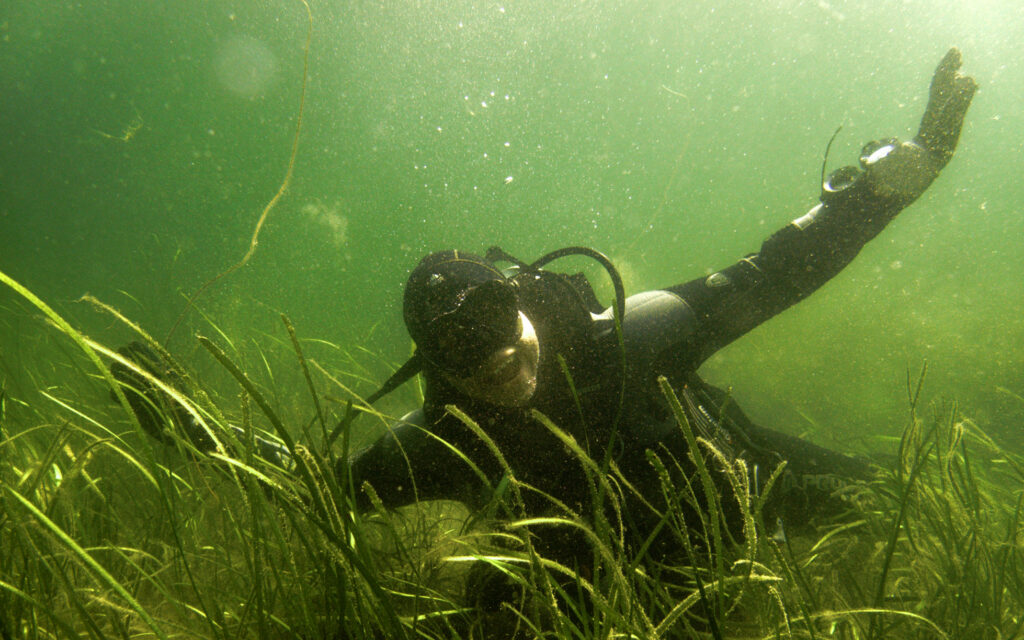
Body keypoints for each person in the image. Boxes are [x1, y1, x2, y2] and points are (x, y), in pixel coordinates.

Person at [114, 49, 975, 573]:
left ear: (521, 302)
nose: (491, 357)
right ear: (430, 366)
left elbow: (778, 271)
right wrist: (186, 426)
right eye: (457, 348)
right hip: (614, 580)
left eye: (494, 323)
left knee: (893, 505)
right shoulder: (446, 442)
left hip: (752, 496)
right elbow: (315, 486)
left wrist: (902, 176)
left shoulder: (632, 340)